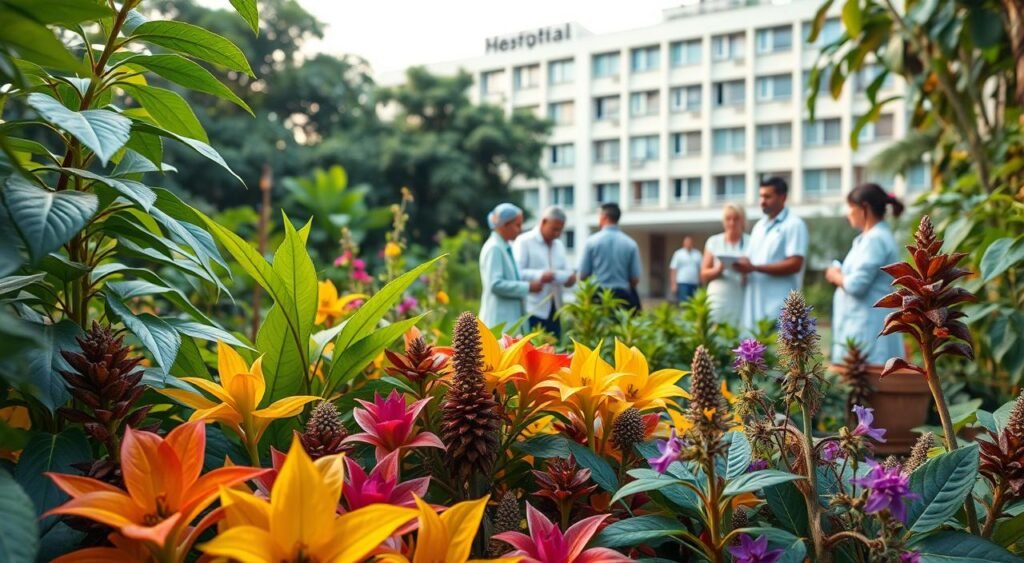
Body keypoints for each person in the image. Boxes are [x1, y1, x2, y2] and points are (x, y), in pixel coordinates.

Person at [825, 184, 906, 365]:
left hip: (868, 327)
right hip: (864, 325)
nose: (848, 213)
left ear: (865, 208)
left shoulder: (875, 239)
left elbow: (856, 285)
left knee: (868, 384)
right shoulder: (870, 238)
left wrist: (835, 275)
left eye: (851, 207)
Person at [735, 176, 808, 332]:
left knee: (779, 353)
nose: (762, 201)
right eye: (761, 196)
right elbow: (751, 258)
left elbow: (795, 264)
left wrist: (755, 268)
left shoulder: (794, 224)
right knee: (755, 354)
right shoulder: (759, 226)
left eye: (767, 196)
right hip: (754, 305)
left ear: (783, 197)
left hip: (779, 306)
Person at [478, 203, 546, 331]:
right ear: (505, 225)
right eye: (517, 225)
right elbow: (495, 284)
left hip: (506, 320)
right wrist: (528, 287)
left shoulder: (503, 246)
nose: (520, 229)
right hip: (498, 321)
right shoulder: (495, 248)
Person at [514, 206, 577, 337]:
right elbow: (516, 273)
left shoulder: (559, 245)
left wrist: (570, 279)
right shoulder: (524, 241)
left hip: (555, 309)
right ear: (543, 222)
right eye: (554, 229)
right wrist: (540, 275)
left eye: (560, 230)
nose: (557, 234)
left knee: (555, 351)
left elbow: (568, 270)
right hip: (533, 309)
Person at [578, 203, 642, 311]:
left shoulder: (592, 242)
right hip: (622, 298)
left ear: (604, 217)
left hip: (598, 296)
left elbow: (583, 275)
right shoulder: (630, 243)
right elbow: (635, 278)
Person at [700, 204, 750, 326]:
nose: (732, 223)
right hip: (718, 297)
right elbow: (703, 274)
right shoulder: (713, 241)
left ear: (743, 221)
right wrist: (718, 270)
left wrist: (745, 269)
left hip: (741, 296)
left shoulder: (751, 241)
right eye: (728, 219)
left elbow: (757, 271)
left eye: (736, 219)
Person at [670, 236, 702, 303]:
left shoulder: (697, 254)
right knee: (684, 303)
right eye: (686, 242)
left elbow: (701, 269)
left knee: (694, 303)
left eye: (689, 242)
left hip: (694, 283)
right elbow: (673, 269)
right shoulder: (678, 254)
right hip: (682, 283)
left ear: (692, 243)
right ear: (683, 243)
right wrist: (673, 284)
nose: (688, 244)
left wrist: (701, 281)